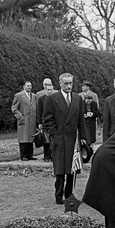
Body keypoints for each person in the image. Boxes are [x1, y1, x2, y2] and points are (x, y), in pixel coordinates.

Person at [41, 73, 87, 205]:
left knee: (72, 169)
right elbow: (47, 119)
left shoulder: (78, 99)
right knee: (60, 169)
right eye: (65, 83)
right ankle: (58, 196)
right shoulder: (52, 98)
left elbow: (81, 120)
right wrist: (53, 134)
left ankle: (69, 195)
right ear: (60, 84)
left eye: (70, 83)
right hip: (59, 138)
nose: (68, 86)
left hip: (73, 139)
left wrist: (83, 137)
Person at [11, 80, 38, 160]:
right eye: (28, 86)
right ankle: (23, 155)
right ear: (24, 87)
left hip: (32, 120)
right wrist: (20, 117)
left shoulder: (34, 96)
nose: (29, 87)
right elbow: (14, 108)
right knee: (23, 138)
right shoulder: (19, 95)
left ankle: (30, 155)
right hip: (23, 120)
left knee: (31, 138)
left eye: (30, 86)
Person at [35, 78, 55, 161]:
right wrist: (39, 122)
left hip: (54, 122)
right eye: (48, 90)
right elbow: (39, 111)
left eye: (51, 90)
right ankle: (46, 156)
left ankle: (53, 156)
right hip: (45, 122)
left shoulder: (55, 98)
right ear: (45, 90)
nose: (49, 91)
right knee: (46, 140)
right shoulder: (41, 99)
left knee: (53, 139)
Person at [80, 81, 100, 145]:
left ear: (88, 87)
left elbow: (97, 108)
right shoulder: (80, 95)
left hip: (92, 119)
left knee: (92, 135)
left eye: (83, 86)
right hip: (84, 119)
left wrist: (92, 114)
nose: (82, 87)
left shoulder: (94, 95)